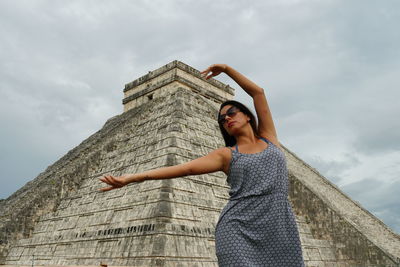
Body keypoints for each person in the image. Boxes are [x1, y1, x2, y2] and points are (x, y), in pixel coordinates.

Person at [99, 64, 305, 266]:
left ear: (248, 116)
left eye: (232, 112)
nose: (227, 118)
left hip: (279, 227)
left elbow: (258, 93)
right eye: (223, 119)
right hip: (238, 228)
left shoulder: (269, 138)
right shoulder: (226, 155)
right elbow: (183, 169)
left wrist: (226, 70)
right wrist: (130, 178)